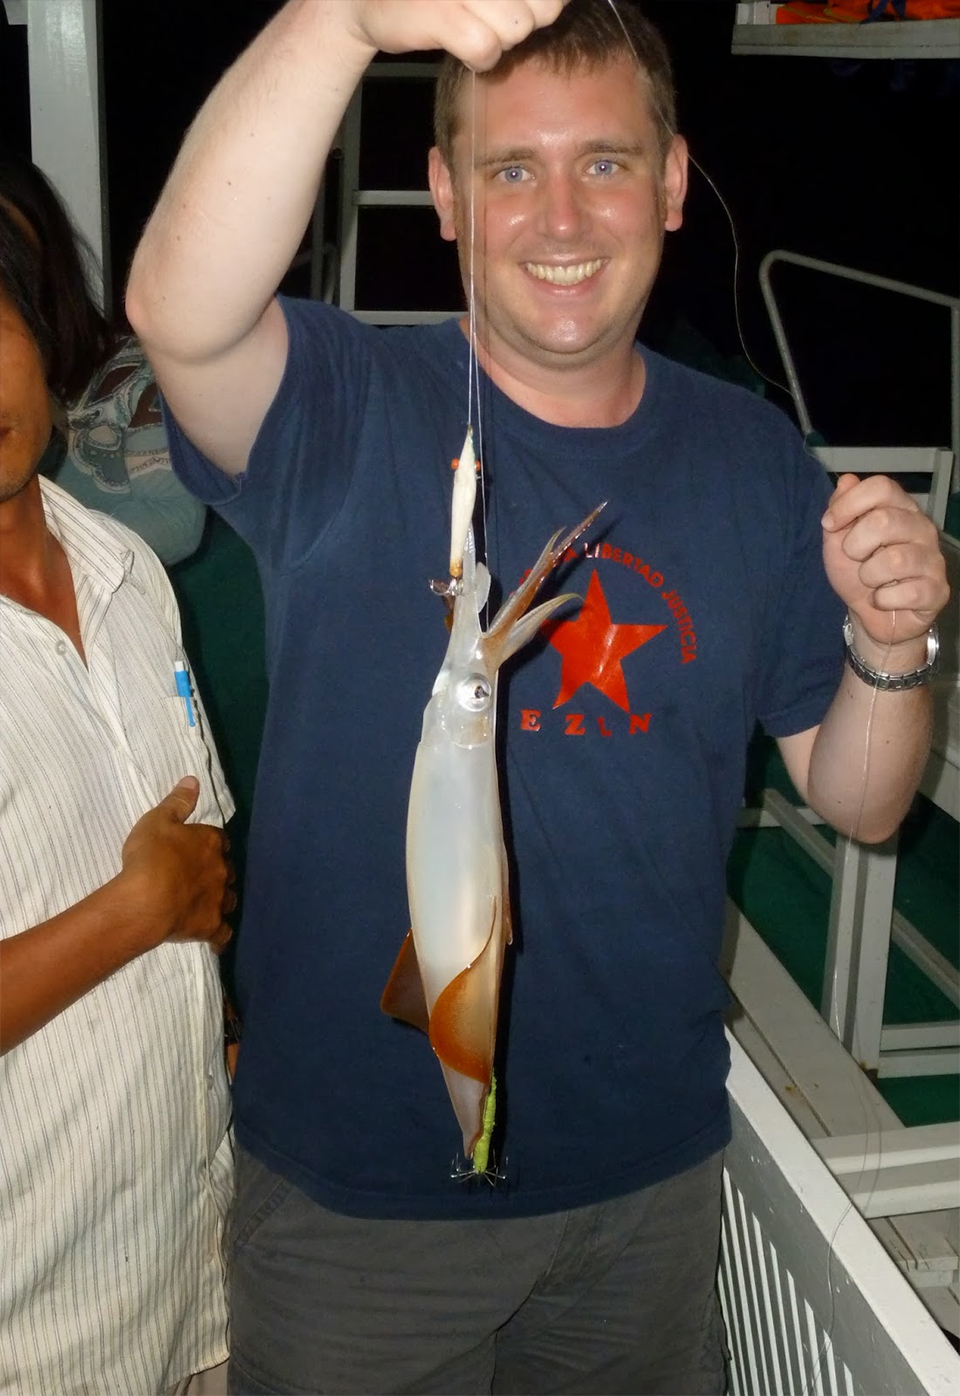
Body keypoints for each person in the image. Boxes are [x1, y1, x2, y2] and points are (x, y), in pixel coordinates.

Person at [126, 2, 949, 1392]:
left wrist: (892, 641)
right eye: (511, 169)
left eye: (607, 163)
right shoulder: (349, 409)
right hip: (358, 1207)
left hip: (647, 1178)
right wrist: (339, 20)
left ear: (675, 182)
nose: (561, 215)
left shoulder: (753, 459)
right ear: (443, 196)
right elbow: (175, 310)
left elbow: (862, 802)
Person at [0, 202, 235, 1394]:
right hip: (34, 1337)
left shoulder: (128, 570)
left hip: (195, 1287)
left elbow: (200, 872)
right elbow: (161, 897)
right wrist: (135, 912)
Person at [0, 150, 207, 565]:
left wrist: (29, 561)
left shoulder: (133, 372)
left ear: (47, 258)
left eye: (13, 254)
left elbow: (176, 523)